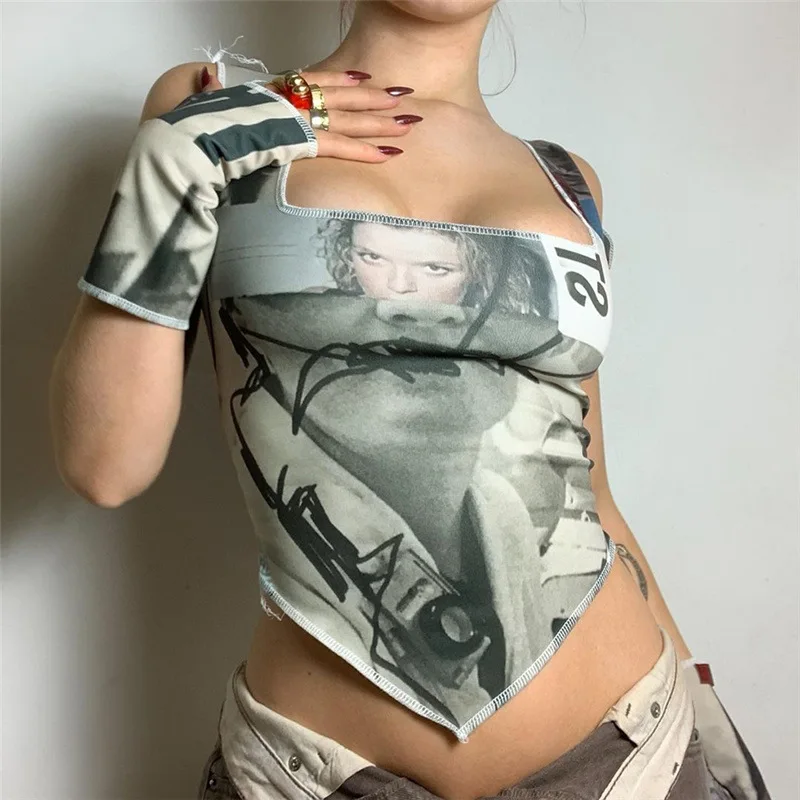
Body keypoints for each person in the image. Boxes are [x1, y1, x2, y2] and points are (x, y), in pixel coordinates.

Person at [48, 2, 772, 799]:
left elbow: (592, 495)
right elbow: (104, 466)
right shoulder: (216, 109)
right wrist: (176, 159)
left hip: (632, 757)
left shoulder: (570, 183)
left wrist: (710, 721)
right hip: (316, 772)